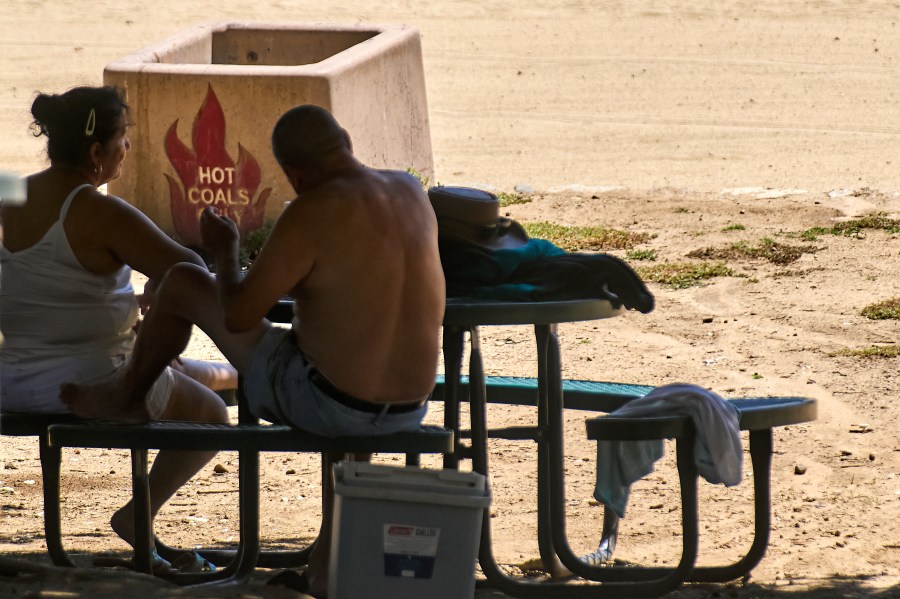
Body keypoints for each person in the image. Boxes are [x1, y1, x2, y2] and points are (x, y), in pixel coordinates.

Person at [61, 104, 446, 596]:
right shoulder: (411, 191)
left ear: (296, 175)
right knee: (344, 366)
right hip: (407, 410)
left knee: (182, 281)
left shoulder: (310, 210)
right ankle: (326, 568)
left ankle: (126, 392)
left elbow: (241, 313)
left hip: (326, 402)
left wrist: (225, 248)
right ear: (346, 139)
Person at [0, 86, 235, 572]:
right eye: (123, 139)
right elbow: (189, 270)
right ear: (95, 152)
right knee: (212, 416)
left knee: (196, 370)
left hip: (12, 379)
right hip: (92, 379)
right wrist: (156, 293)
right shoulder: (97, 209)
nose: (127, 149)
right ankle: (136, 517)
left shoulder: (11, 191)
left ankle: (234, 374)